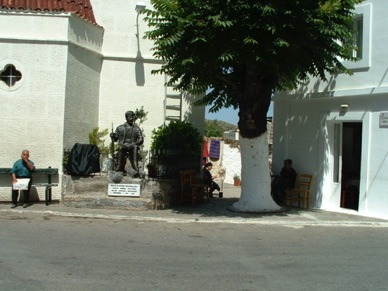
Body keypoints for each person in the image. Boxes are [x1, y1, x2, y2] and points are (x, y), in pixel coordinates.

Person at [110, 110, 144, 177]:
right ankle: (119, 166)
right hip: (124, 144)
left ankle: (135, 166)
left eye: (132, 117)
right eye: (129, 117)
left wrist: (135, 143)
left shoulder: (137, 129)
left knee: (135, 147)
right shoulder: (120, 128)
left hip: (132, 145)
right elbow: (116, 139)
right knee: (120, 147)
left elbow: (141, 139)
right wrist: (113, 135)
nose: (131, 118)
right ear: (126, 118)